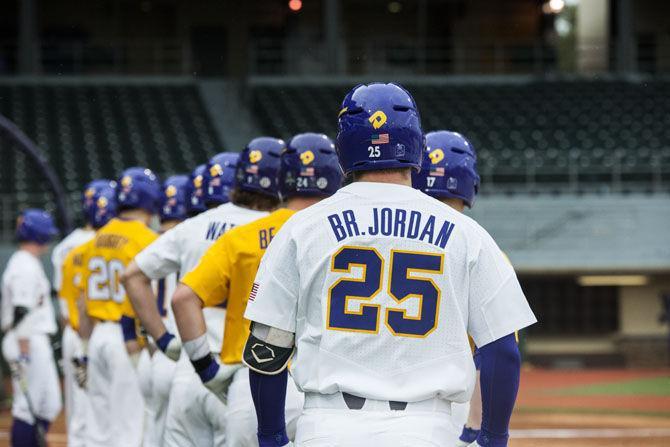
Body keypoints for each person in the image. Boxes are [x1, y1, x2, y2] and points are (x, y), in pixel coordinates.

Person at [241, 82, 537, 447]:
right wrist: (493, 439)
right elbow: (502, 350)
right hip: (426, 429)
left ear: (343, 149)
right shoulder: (467, 233)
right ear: (417, 146)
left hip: (328, 426)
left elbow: (267, 344)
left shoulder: (302, 228)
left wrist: (271, 437)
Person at [174, 133, 343, 446]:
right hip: (330, 394)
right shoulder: (350, 238)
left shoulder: (243, 236)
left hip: (253, 383)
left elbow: (183, 297)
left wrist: (207, 370)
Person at [122, 144, 280, 447]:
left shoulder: (192, 226)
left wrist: (163, 338)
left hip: (189, 368)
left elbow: (132, 275)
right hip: (242, 374)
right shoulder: (276, 229)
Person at [78, 167, 162, 447]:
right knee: (129, 428)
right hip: (127, 339)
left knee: (99, 427)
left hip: (98, 333)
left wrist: (85, 347)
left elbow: (82, 299)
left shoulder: (96, 238)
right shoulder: (147, 239)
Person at [411, 130, 485, 445]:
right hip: (446, 410)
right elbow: (496, 351)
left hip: (356, 407)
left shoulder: (379, 233)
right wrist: (478, 428)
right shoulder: (477, 245)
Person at [56, 180, 118, 447]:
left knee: (79, 408)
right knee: (106, 409)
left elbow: (64, 295)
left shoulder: (65, 247)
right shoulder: (108, 242)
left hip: (74, 331)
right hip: (100, 329)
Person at [135, 174, 190, 447]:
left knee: (151, 433)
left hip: (152, 349)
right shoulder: (192, 237)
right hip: (180, 350)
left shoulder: (147, 241)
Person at [1, 209, 61, 447]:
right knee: (27, 407)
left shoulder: (27, 262)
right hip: (25, 340)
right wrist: (24, 352)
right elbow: (21, 311)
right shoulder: (23, 265)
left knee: (49, 404)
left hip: (31, 340)